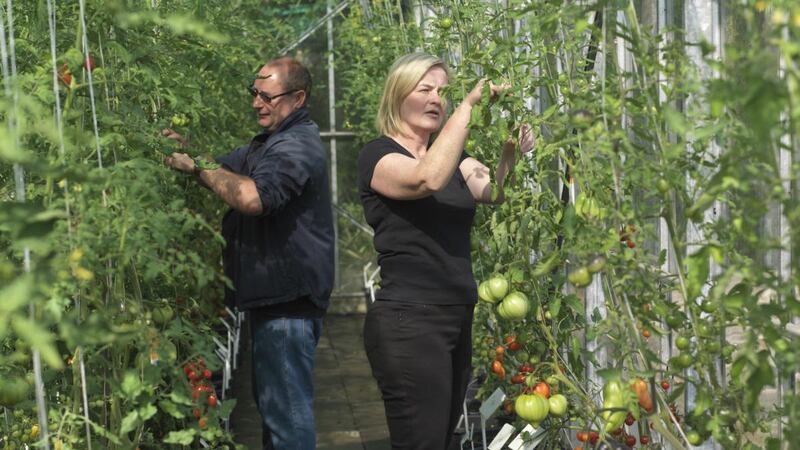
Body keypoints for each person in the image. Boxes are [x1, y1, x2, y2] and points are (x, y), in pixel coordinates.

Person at [357, 52, 534, 450]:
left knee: (441, 440)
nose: (438, 98)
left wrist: (511, 155)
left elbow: (494, 191)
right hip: (410, 321)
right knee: (422, 442)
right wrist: (469, 106)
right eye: (426, 90)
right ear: (398, 95)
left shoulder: (454, 158)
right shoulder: (379, 155)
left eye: (444, 92)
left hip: (455, 315)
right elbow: (427, 179)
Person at [162, 56, 334, 450]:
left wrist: (197, 166)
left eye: (267, 96)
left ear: (298, 97)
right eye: (254, 93)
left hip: (287, 306)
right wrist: (186, 154)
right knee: (276, 414)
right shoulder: (270, 144)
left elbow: (253, 198)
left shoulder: (295, 146)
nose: (257, 103)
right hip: (276, 303)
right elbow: (220, 168)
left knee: (288, 420)